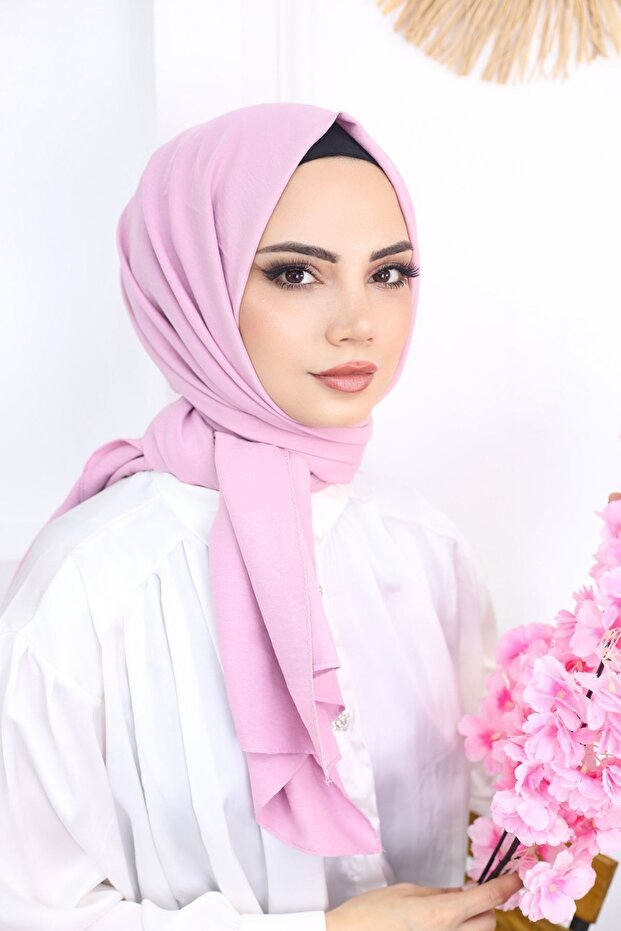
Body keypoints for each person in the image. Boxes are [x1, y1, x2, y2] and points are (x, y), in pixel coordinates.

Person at [0, 102, 521, 929]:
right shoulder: (91, 583)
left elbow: (495, 801)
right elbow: (27, 907)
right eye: (294, 274)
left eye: (388, 273)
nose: (357, 323)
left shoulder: (424, 548)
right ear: (190, 288)